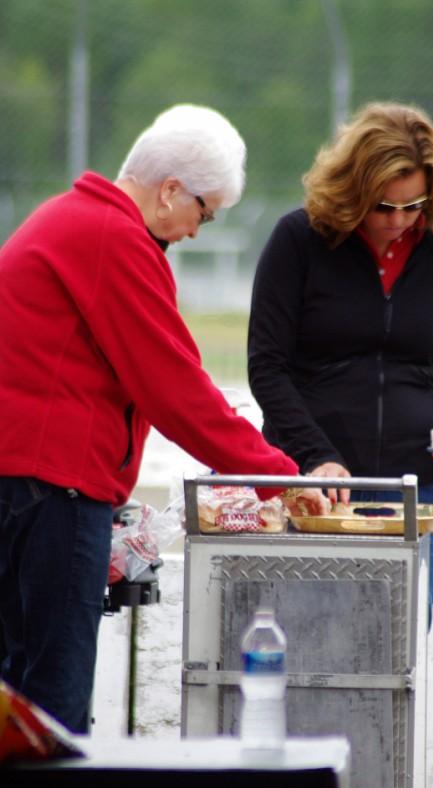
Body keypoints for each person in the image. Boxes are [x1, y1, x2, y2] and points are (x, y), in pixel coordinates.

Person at [0, 104, 329, 734]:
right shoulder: (113, 237)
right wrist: (280, 477)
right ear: (170, 190)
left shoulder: (66, 219)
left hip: (26, 481)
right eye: (203, 213)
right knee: (53, 709)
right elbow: (176, 391)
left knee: (18, 696)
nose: (196, 232)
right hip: (54, 492)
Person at [247, 101, 433, 625]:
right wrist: (316, 456)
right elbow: (266, 365)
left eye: (415, 206)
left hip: (414, 494)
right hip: (314, 489)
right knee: (306, 647)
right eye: (383, 207)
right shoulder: (298, 241)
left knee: (396, 653)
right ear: (352, 189)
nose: (399, 222)